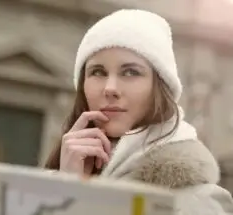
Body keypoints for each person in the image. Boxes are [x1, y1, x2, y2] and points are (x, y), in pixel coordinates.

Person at [45, 9, 233, 214]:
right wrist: (67, 188)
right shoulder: (50, 183)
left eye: (130, 72)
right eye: (97, 72)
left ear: (159, 87)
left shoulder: (196, 202)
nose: (110, 88)